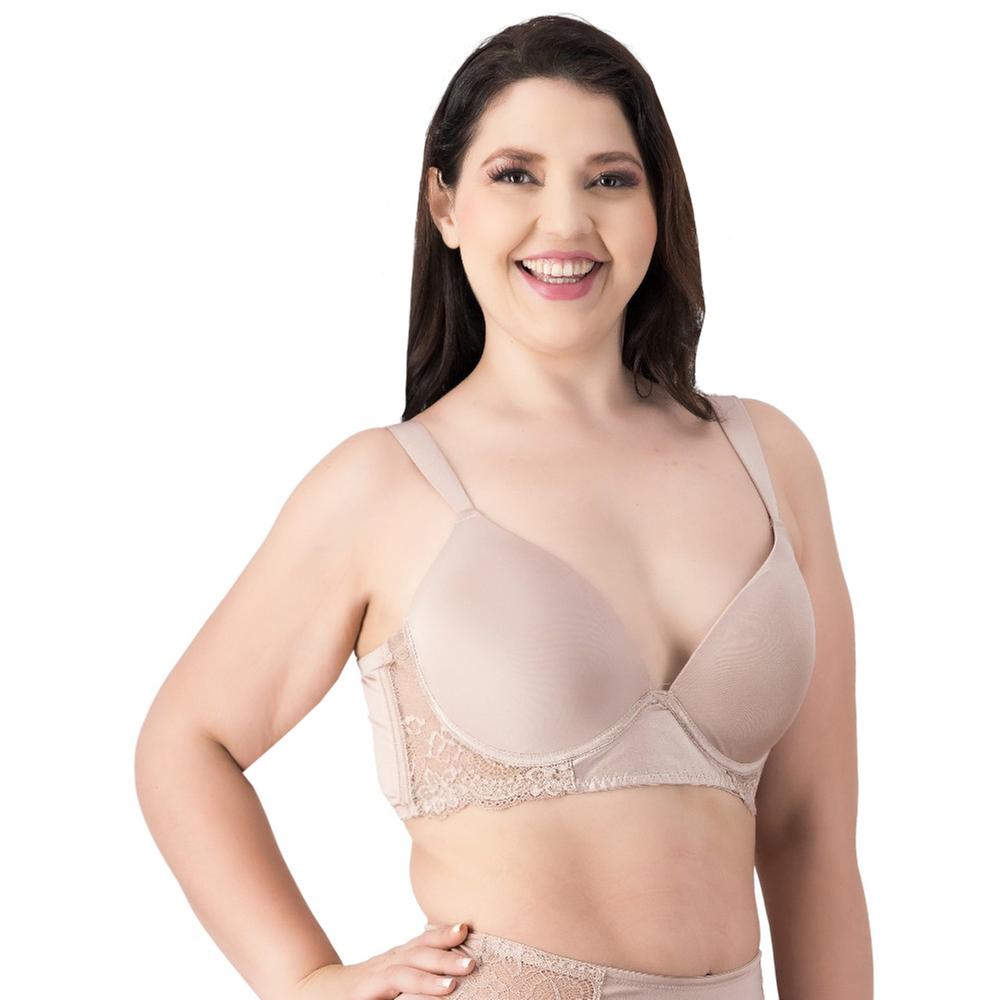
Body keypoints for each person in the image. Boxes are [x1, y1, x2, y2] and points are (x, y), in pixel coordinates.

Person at [135, 14, 872, 1000]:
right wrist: (305, 976)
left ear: (657, 206)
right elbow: (185, 744)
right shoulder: (381, 488)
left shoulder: (769, 459)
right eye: (515, 174)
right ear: (445, 204)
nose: (564, 224)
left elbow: (809, 832)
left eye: (609, 179)